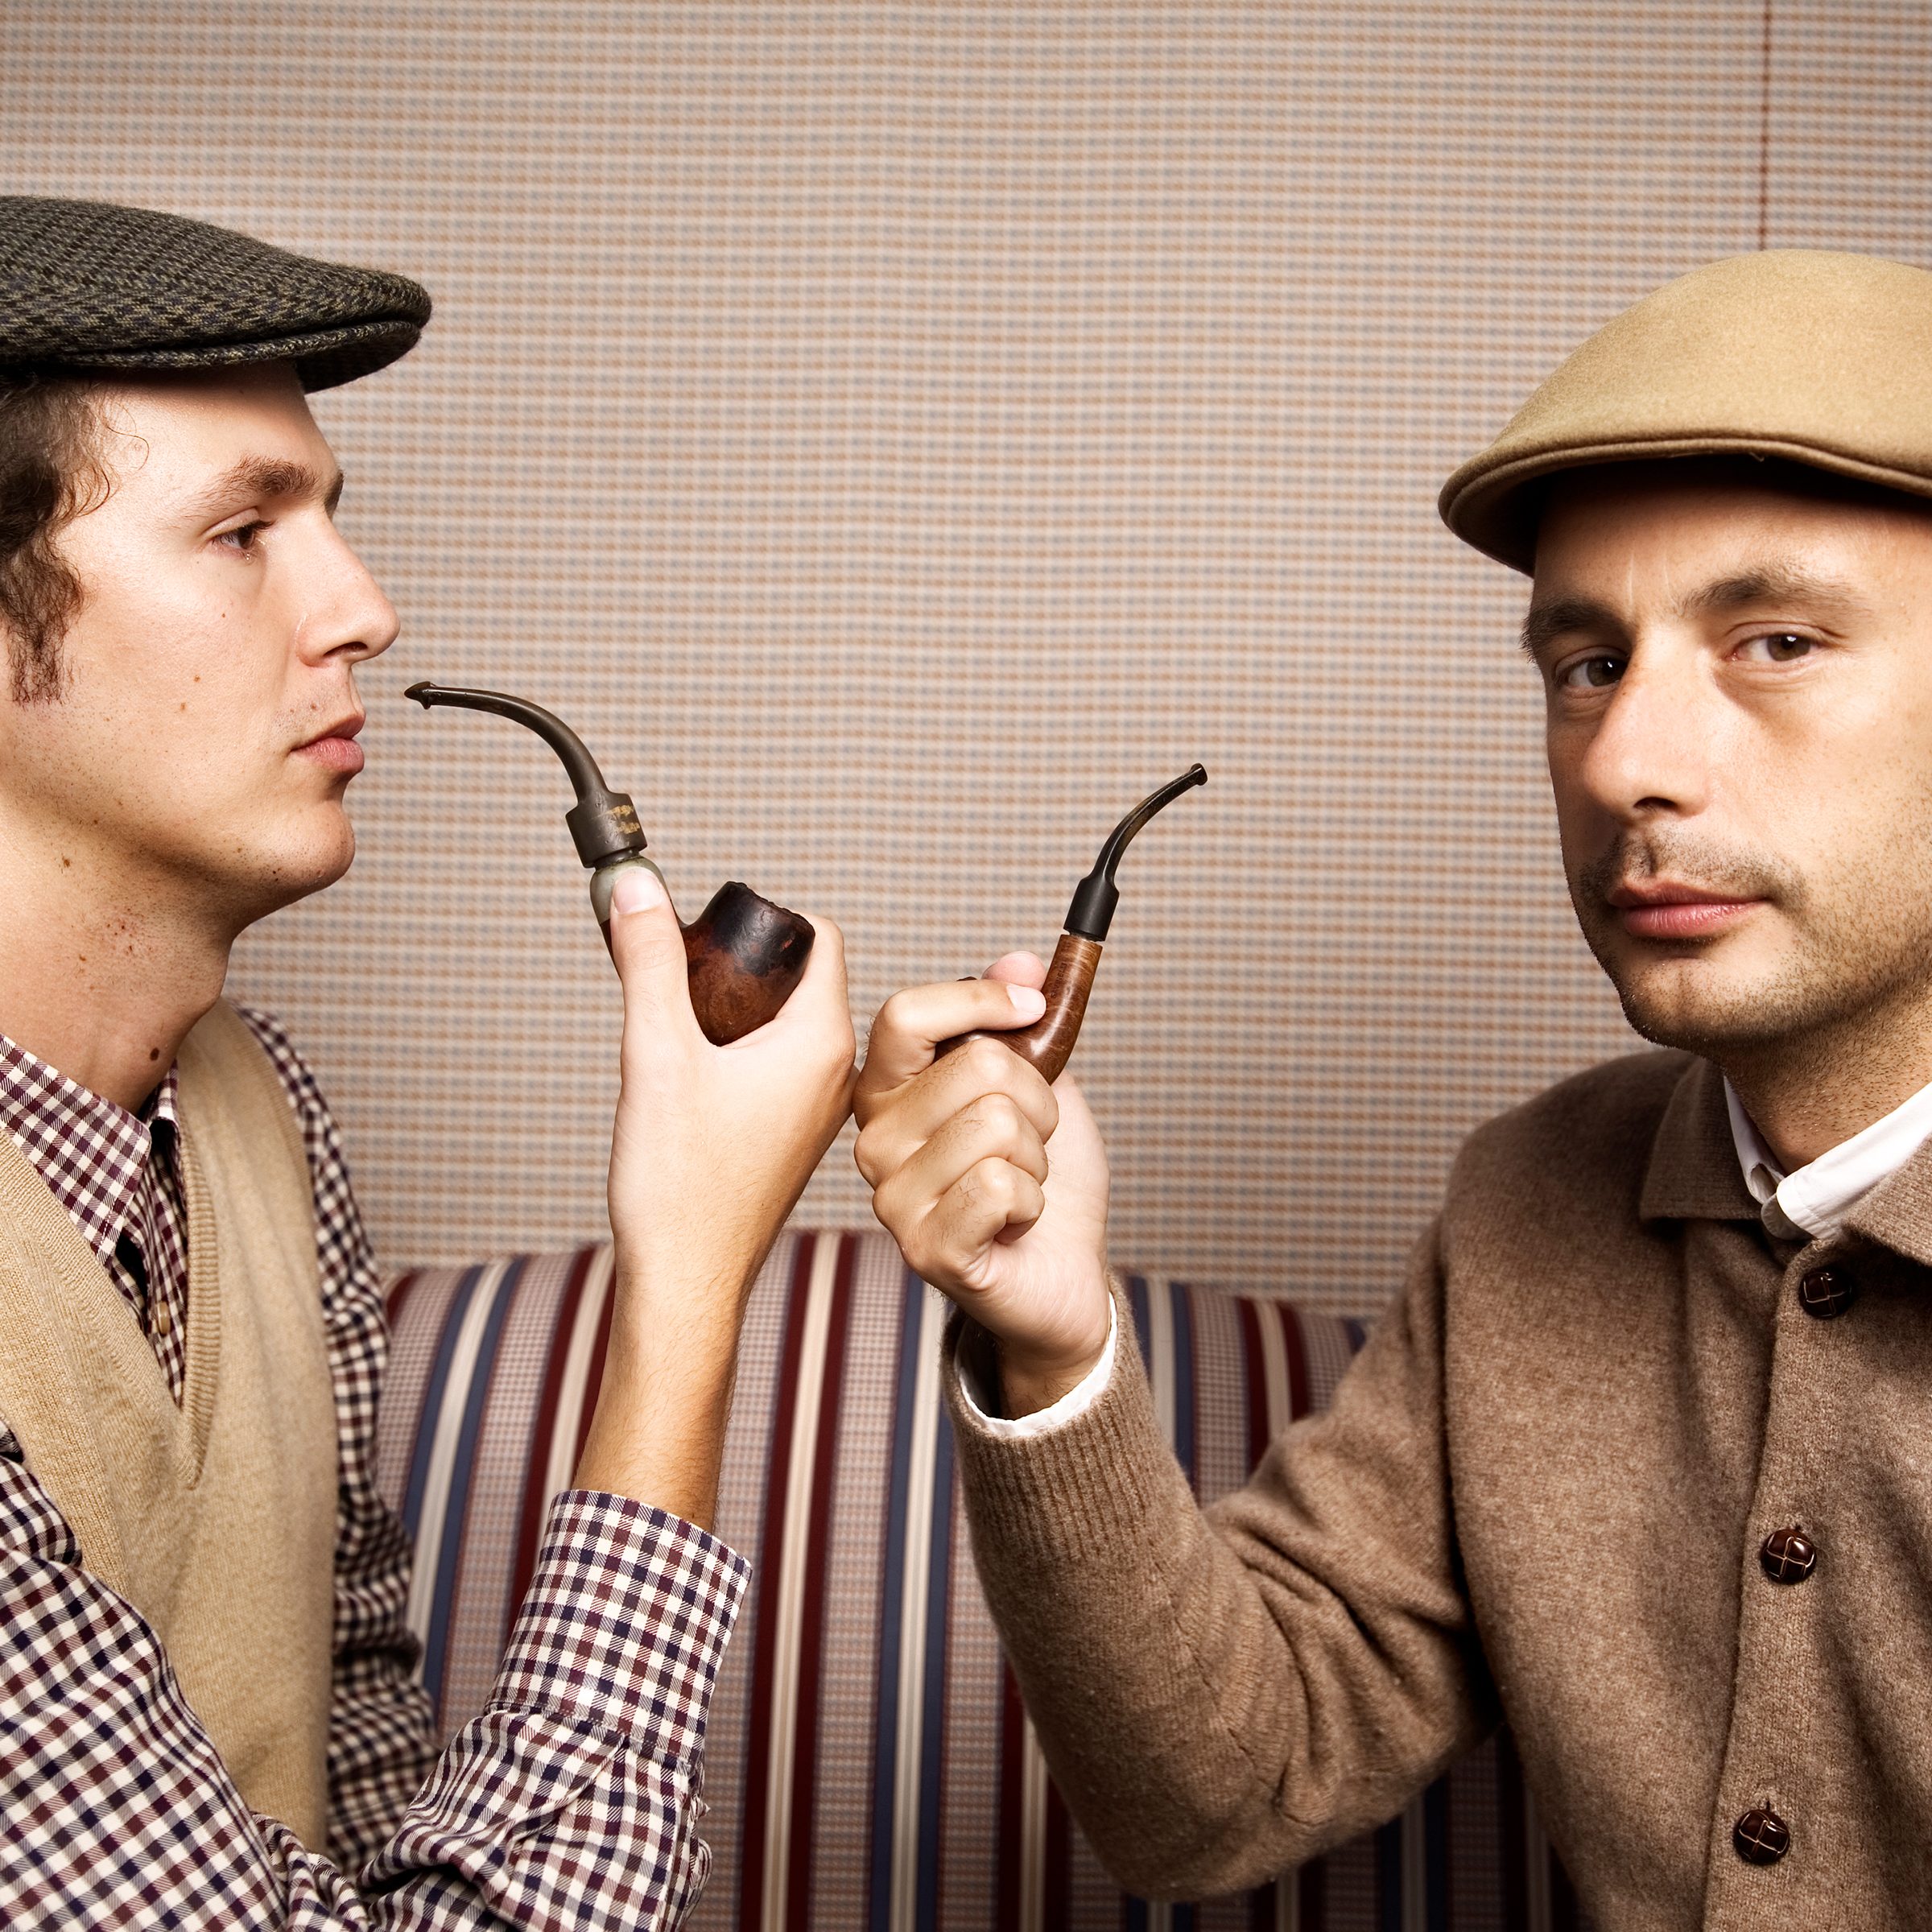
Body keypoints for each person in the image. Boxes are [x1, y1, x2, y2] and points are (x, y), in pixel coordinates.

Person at [854, 249, 1932, 1926]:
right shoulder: (1530, 1204)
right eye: (1585, 663)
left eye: (1774, 641)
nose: (1629, 762)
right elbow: (1219, 1793)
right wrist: (1053, 1342)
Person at [0, 196, 855, 1928]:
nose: (366, 612)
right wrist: (680, 1300)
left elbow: (357, 1713)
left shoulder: (260, 1111)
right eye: (243, 533)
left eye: (331, 518)